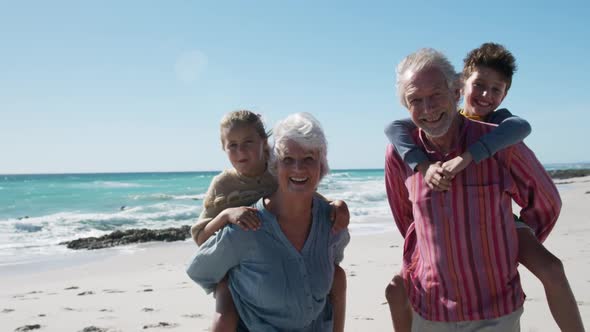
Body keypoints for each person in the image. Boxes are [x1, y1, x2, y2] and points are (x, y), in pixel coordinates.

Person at [384, 43, 585, 332]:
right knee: (395, 289)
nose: (485, 96)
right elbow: (407, 217)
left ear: (453, 91)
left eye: (496, 90)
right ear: (463, 85)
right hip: (432, 308)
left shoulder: (501, 134)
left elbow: (544, 197)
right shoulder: (404, 149)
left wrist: (504, 244)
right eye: (416, 100)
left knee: (552, 270)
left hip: (500, 273)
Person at [187, 112, 350, 331]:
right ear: (277, 165)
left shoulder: (329, 223)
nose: (298, 168)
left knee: (337, 277)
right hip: (232, 257)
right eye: (288, 160)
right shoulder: (238, 214)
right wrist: (229, 279)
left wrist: (336, 205)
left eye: (308, 159)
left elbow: (306, 197)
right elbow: (202, 259)